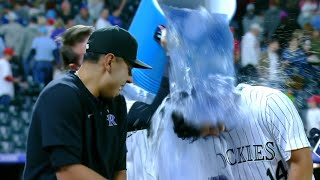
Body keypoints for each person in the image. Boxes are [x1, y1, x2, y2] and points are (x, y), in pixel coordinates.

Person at [127, 7, 313, 180]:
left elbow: (301, 162)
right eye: (205, 133)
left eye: (210, 125)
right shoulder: (197, 143)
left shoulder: (267, 103)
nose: (215, 132)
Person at [23, 26, 152, 180]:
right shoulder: (61, 94)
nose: (130, 79)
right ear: (109, 61)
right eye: (128, 69)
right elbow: (68, 173)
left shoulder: (117, 103)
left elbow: (119, 170)